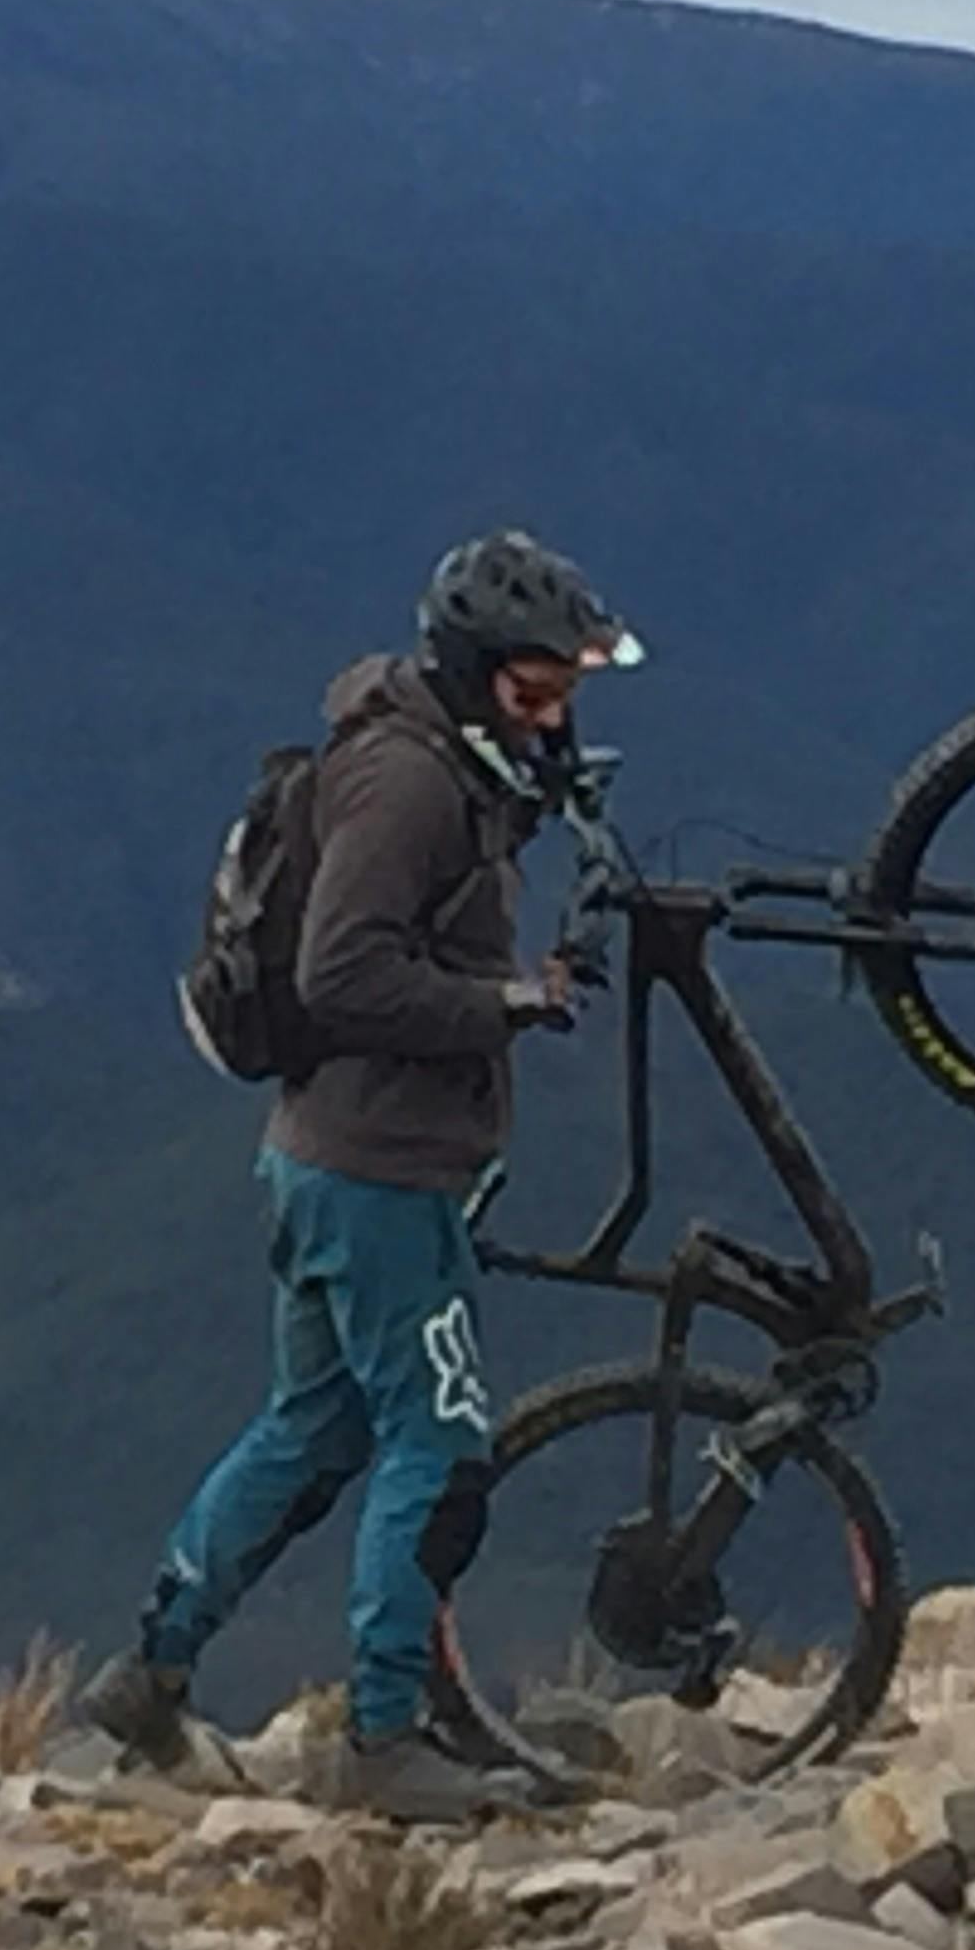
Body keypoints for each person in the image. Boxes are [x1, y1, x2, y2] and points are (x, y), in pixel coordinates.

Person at [81, 529, 643, 1821]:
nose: (553, 714)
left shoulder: (433, 758)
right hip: (383, 1173)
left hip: (325, 1161)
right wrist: (508, 1002)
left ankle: (149, 1670)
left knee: (315, 1426)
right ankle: (386, 1736)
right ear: (468, 670)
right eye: (534, 690)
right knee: (440, 1446)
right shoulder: (408, 785)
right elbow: (345, 972)